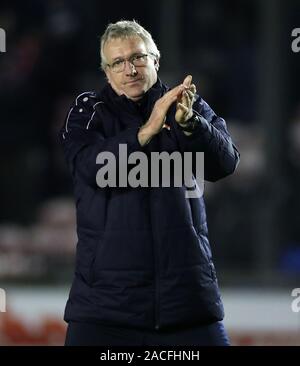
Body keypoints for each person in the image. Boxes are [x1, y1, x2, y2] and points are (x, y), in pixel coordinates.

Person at [60, 20, 240, 346]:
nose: (130, 69)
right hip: (105, 311)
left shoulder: (189, 108)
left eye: (138, 58)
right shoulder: (90, 111)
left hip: (187, 307)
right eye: (118, 63)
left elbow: (225, 164)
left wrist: (192, 126)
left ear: (156, 60)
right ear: (106, 72)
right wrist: (145, 132)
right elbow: (90, 168)